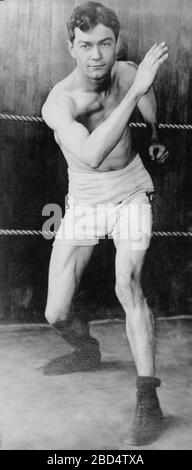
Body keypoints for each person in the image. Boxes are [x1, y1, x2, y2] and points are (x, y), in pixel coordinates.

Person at [42, 2, 169, 446]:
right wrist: (135, 93)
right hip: (85, 199)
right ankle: (86, 349)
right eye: (85, 45)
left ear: (115, 43)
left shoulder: (130, 72)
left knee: (127, 283)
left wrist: (153, 136)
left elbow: (147, 98)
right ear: (70, 47)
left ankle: (148, 399)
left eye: (105, 44)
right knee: (55, 312)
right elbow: (92, 154)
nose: (96, 56)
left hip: (132, 188)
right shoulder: (60, 103)